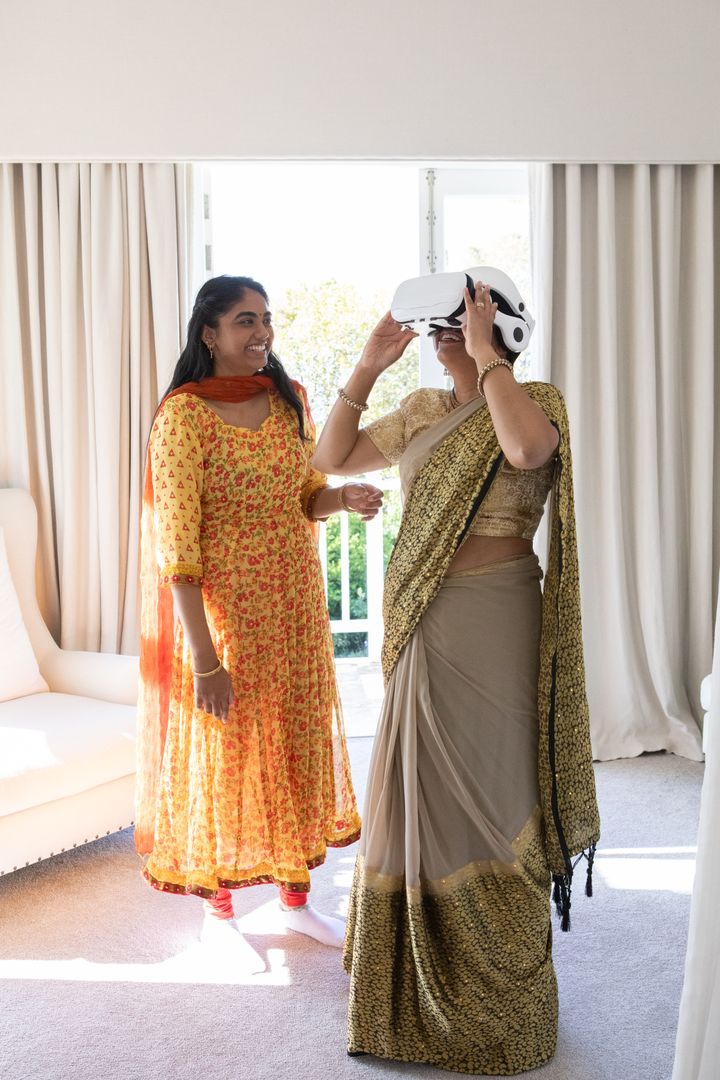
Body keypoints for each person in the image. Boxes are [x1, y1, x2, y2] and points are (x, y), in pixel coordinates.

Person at [312, 276, 600, 1073]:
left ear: (499, 326)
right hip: (423, 619)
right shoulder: (421, 413)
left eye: (459, 321)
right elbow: (327, 459)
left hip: (498, 614)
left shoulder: (535, 399)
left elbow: (526, 453)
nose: (443, 335)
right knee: (420, 792)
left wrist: (486, 359)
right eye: (436, 324)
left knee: (495, 786)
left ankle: (502, 991)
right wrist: (368, 366)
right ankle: (407, 991)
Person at [135, 275, 379, 965]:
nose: (261, 333)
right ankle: (220, 911)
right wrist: (205, 662)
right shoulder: (182, 417)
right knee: (228, 756)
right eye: (245, 321)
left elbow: (304, 497)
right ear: (209, 334)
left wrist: (343, 497)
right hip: (224, 619)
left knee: (297, 743)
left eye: (266, 319)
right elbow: (176, 552)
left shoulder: (288, 400)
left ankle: (295, 902)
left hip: (296, 611)